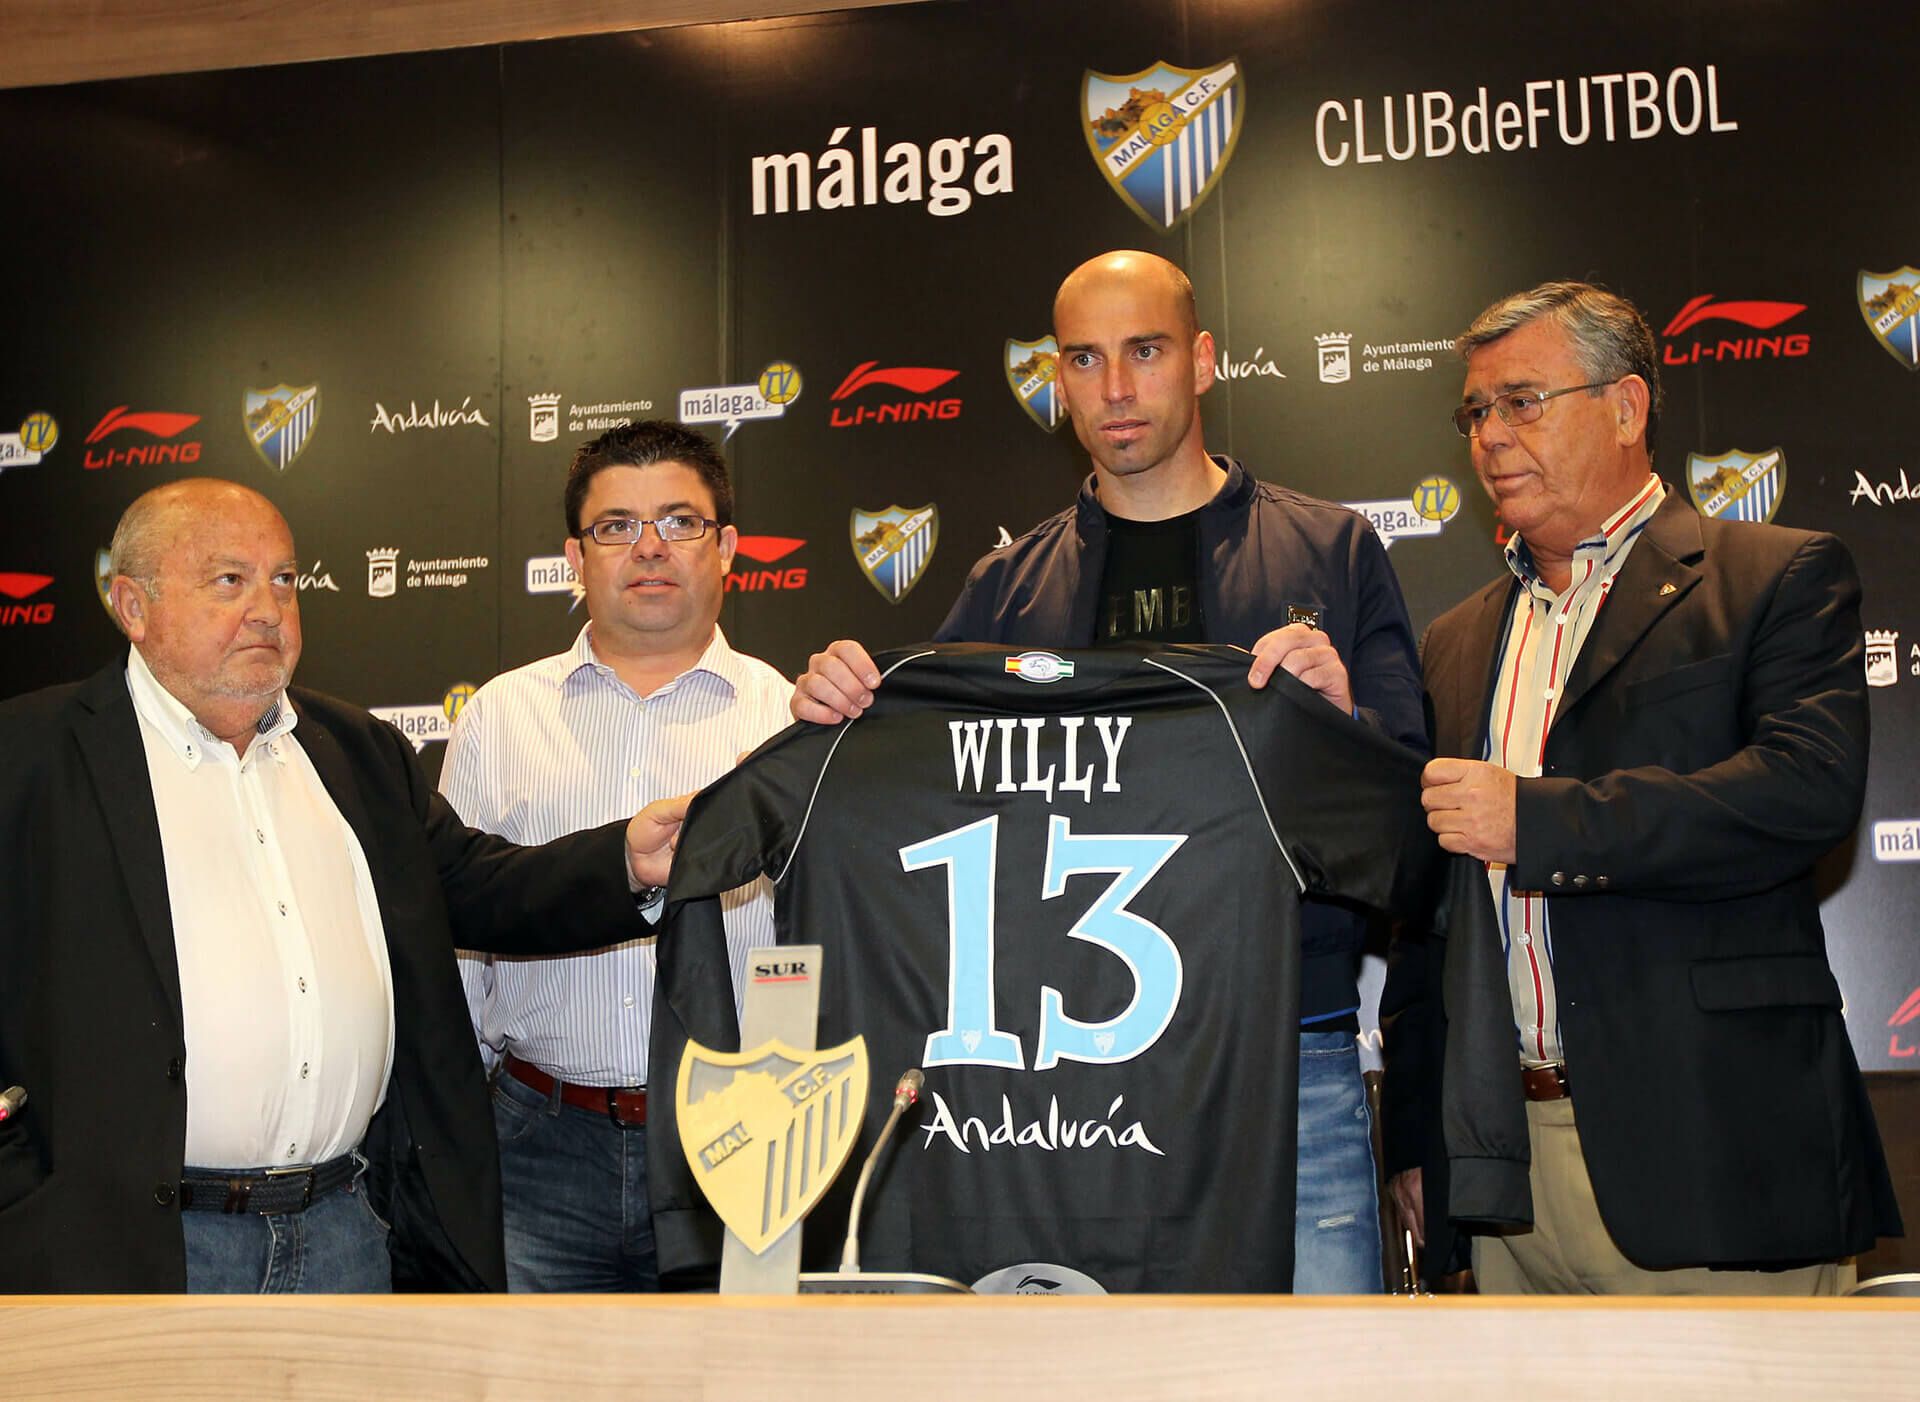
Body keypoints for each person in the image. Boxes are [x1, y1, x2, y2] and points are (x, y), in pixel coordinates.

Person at [792, 249, 1427, 1293]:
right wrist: (837, 718)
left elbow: (1412, 835)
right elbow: (914, 798)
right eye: (1084, 360)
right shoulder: (1004, 586)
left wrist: (1344, 724)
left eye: (1145, 351)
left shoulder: (1334, 551)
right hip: (1061, 1088)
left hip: (1285, 1067)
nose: (1116, 390)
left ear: (1206, 360)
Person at [0, 477, 684, 1293]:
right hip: (135, 1251)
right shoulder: (28, 757)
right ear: (133, 607)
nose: (266, 608)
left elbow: (475, 886)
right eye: (230, 580)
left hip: (345, 1233)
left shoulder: (355, 750)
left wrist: (628, 863)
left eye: (284, 580)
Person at [1391, 280, 1901, 1293]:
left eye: (1522, 400)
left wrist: (1535, 819)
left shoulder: (1773, 577)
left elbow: (1804, 792)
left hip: (1716, 1154)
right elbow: (1426, 925)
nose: (1489, 434)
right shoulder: (1453, 643)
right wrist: (1417, 1139)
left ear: (1626, 408)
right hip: (1504, 1177)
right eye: (1475, 411)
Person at [441, 421, 790, 1292]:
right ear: (575, 555)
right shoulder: (499, 717)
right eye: (615, 526)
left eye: (680, 521)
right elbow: (458, 930)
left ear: (729, 548)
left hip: (738, 1141)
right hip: (536, 1146)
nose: (648, 548)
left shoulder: (789, 721)